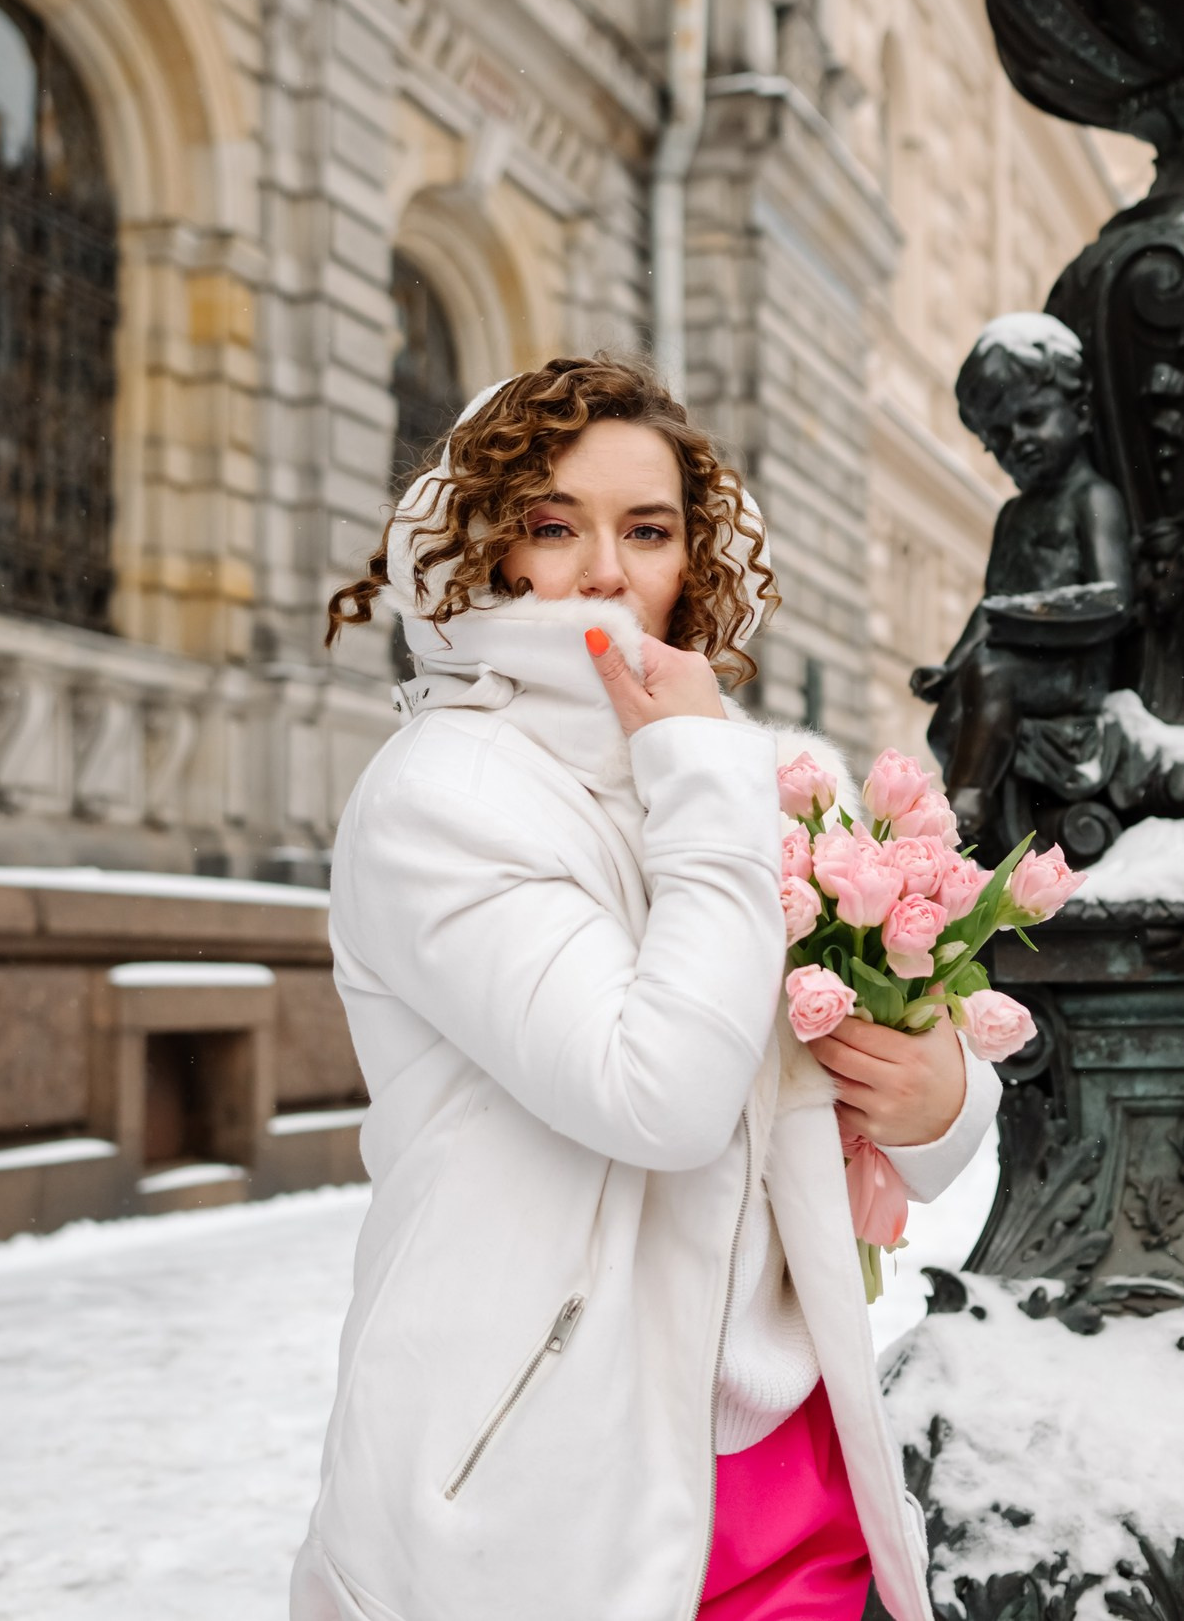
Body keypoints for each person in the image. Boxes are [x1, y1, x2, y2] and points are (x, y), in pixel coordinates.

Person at [291, 356, 1000, 1621]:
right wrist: (696, 775)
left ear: (695, 559)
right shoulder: (442, 797)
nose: (607, 572)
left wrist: (941, 1096)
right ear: (481, 545)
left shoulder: (749, 774)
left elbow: (861, 1103)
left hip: (792, 1453)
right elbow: (656, 1095)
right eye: (554, 525)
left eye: (648, 530)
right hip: (540, 1475)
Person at [911, 314, 1131, 843]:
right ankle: (978, 817)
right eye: (1000, 438)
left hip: (1073, 672)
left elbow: (1113, 599)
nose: (1018, 443)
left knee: (992, 675)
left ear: (1079, 412)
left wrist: (1024, 620)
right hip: (1012, 664)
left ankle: (966, 806)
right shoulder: (1013, 516)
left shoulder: (1091, 498)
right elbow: (990, 605)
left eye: (1031, 418)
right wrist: (950, 667)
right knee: (948, 718)